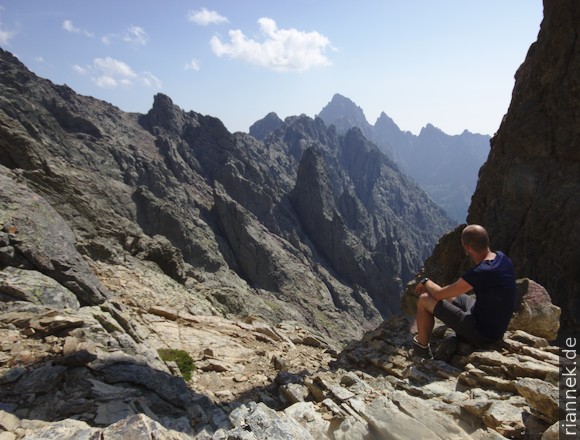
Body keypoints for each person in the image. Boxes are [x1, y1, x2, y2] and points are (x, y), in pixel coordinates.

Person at [413, 224, 517, 360]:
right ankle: (455, 335)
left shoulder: (481, 272)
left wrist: (426, 281)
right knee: (452, 294)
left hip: (482, 333)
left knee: (425, 299)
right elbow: (447, 292)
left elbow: (438, 294)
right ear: (487, 241)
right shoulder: (502, 258)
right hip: (495, 326)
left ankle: (422, 349)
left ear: (467, 248)